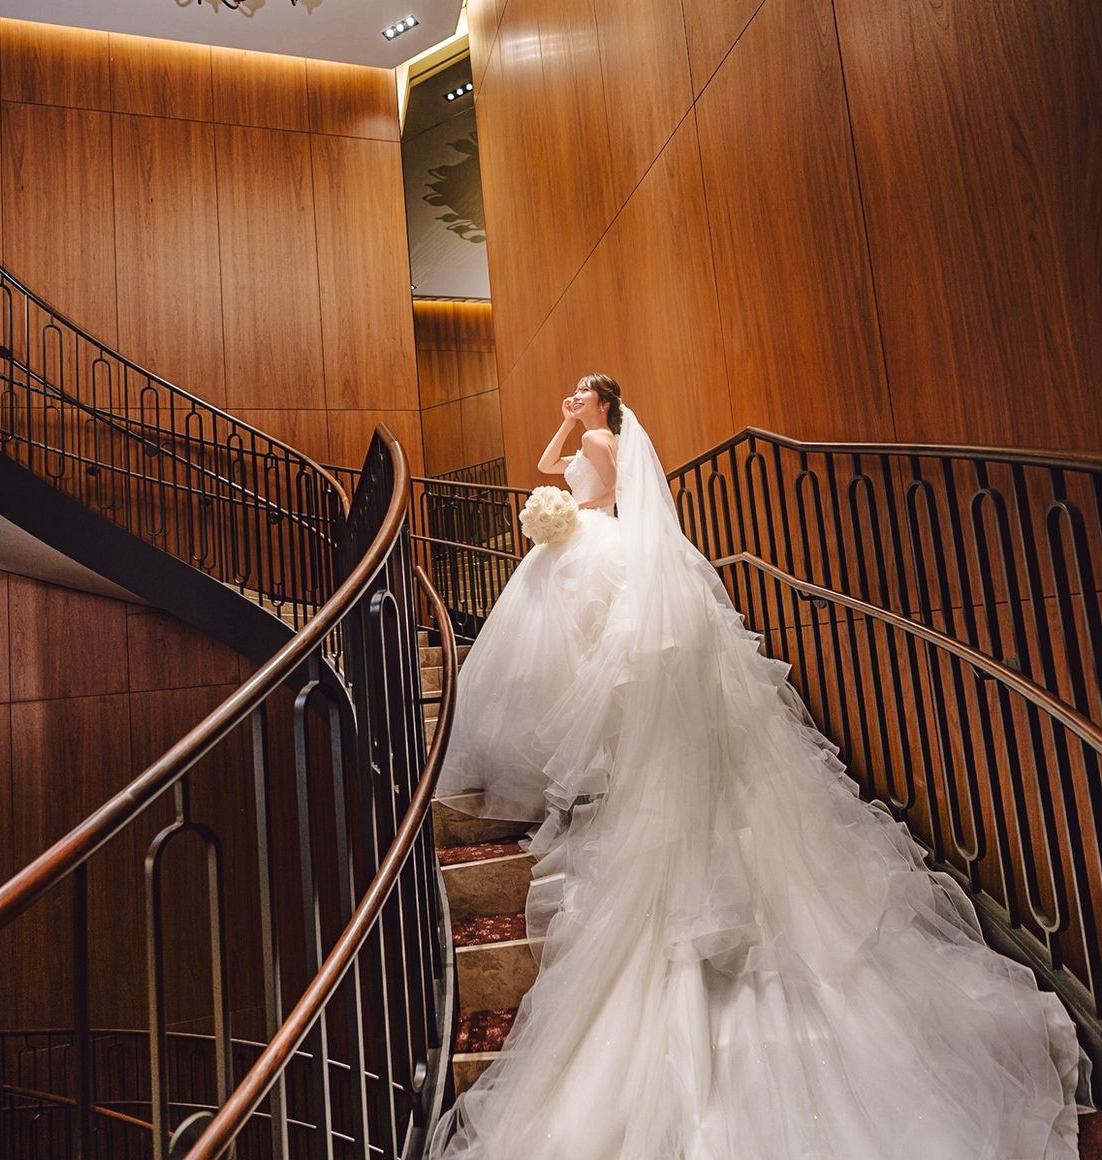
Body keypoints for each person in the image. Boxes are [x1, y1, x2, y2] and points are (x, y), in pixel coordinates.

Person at [431, 374, 1087, 1159]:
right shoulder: (591, 437)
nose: (572, 397)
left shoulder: (608, 440)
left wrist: (574, 490)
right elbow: (550, 468)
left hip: (598, 539)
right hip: (593, 541)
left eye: (582, 392)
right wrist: (563, 437)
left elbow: (604, 495)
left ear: (604, 400)